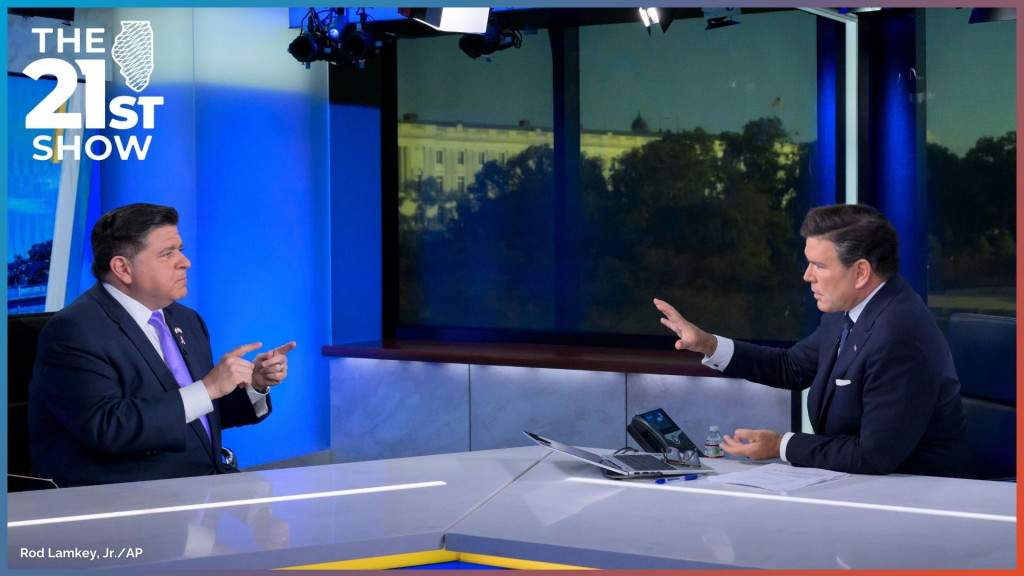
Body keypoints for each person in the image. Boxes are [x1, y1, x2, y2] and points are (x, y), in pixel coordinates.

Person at [654, 204, 970, 478]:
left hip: (916, 502)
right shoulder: (848, 309)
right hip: (860, 485)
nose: (808, 276)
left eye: (819, 265)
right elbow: (791, 366)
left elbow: (873, 456)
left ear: (860, 272)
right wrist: (708, 344)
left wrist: (782, 446)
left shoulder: (899, 336)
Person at [29, 203, 297, 486]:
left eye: (180, 249)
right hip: (131, 502)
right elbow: (107, 427)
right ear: (122, 268)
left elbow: (198, 415)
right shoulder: (74, 330)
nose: (185, 262)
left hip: (204, 489)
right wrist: (209, 387)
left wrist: (252, 386)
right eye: (167, 253)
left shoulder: (186, 319)